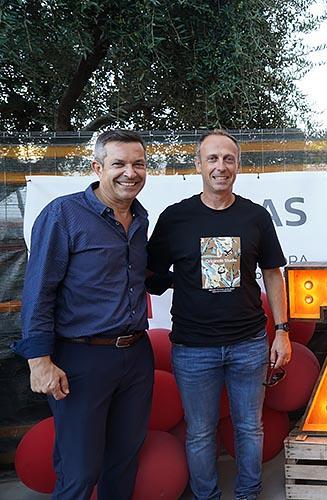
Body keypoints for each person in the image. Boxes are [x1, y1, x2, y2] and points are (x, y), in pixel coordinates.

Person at [147, 129, 291, 500]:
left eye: (228, 158)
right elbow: (149, 271)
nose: (220, 166)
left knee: (250, 428)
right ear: (198, 164)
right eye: (212, 158)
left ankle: (248, 494)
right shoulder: (175, 218)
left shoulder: (255, 217)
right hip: (193, 348)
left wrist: (282, 330)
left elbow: (273, 273)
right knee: (199, 433)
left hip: (249, 345)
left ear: (238, 165)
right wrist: (180, 280)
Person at [14, 130, 153, 499]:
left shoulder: (140, 218)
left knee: (124, 461)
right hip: (81, 358)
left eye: (138, 164)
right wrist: (38, 360)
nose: (130, 172)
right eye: (119, 163)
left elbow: (139, 275)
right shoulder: (64, 214)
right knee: (79, 470)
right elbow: (39, 290)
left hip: (136, 355)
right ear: (97, 168)